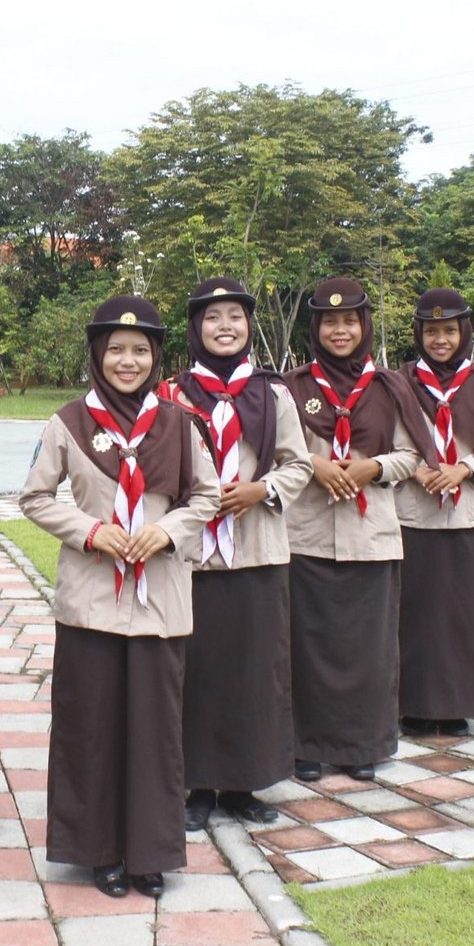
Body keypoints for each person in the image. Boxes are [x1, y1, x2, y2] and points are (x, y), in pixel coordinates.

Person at [22, 295, 219, 899]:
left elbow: (207, 499)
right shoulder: (68, 422)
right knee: (91, 728)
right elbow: (33, 497)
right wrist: (88, 530)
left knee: (155, 731)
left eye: (139, 350)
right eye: (115, 350)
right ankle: (97, 852)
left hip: (160, 599)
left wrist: (167, 531)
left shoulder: (180, 424)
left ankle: (149, 853)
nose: (127, 361)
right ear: (97, 355)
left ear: (157, 356)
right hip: (91, 603)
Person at [157, 278, 311, 832]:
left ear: (250, 326)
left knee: (253, 670)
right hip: (194, 555)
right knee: (195, 670)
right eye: (213, 317)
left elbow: (299, 464)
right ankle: (197, 782)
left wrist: (260, 490)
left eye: (235, 317)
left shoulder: (273, 395)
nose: (225, 326)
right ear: (195, 328)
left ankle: (245, 782)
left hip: (257, 551)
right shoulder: (171, 396)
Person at [285, 278, 434, 781]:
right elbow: (275, 452)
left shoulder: (390, 386)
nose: (340, 330)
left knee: (369, 648)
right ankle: (305, 744)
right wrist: (314, 464)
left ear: (364, 325)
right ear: (316, 328)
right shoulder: (293, 386)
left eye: (350, 320)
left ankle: (362, 744)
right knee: (307, 645)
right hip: (305, 535)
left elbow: (413, 455)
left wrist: (373, 468)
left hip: (371, 535)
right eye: (330, 321)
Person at [394, 290, 474, 737]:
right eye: (431, 331)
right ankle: (415, 705)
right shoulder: (402, 381)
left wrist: (465, 468)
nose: (439, 340)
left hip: (470, 515)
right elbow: (391, 444)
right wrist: (421, 470)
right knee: (417, 612)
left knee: (465, 612)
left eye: (448, 331)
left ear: (464, 332)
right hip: (415, 515)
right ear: (418, 334)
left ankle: (458, 704)